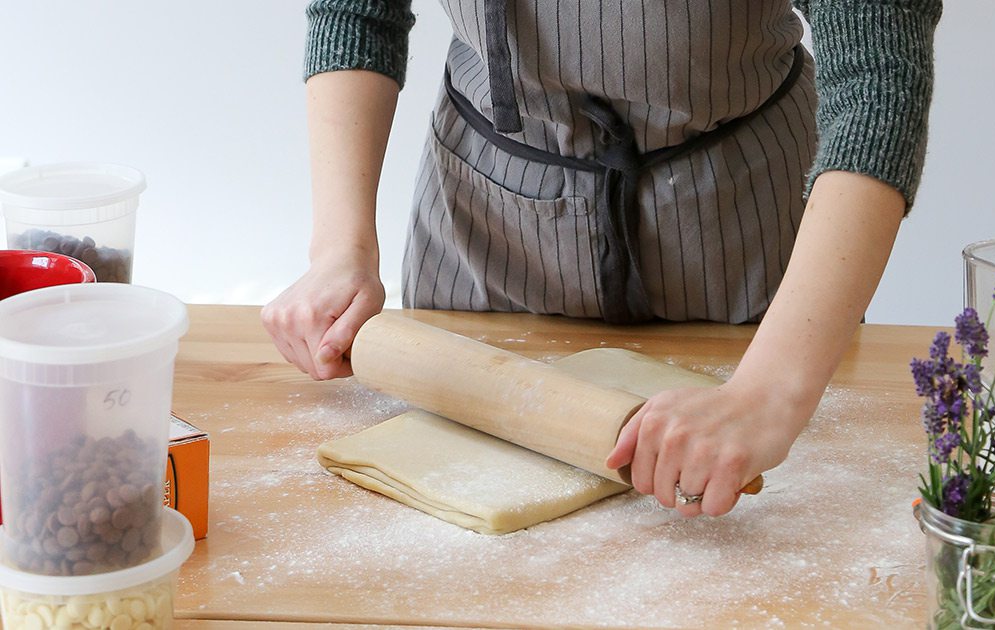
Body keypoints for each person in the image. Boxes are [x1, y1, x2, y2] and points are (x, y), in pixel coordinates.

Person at [264, 0, 942, 519]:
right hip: (484, 224)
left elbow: (878, 83)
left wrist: (769, 393)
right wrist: (340, 249)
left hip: (740, 238)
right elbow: (358, 8)